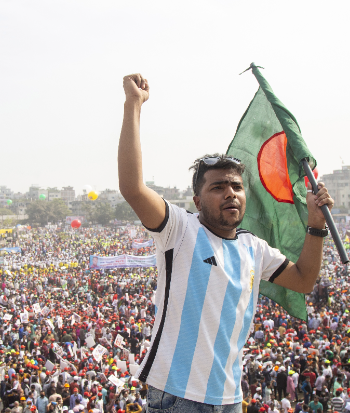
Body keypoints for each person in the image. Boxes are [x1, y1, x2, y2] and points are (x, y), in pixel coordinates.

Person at [117, 73, 333, 412]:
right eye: (217, 187)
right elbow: (132, 188)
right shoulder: (180, 230)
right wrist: (134, 105)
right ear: (198, 201)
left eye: (236, 186)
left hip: (230, 398)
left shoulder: (254, 249)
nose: (230, 193)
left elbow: (304, 279)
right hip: (179, 395)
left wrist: (316, 227)